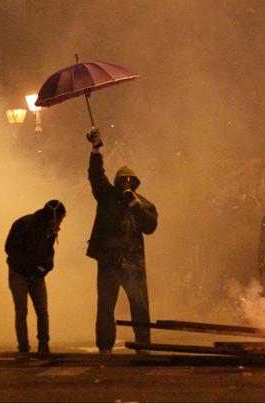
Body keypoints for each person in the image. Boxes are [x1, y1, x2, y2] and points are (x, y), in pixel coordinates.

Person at [86, 128, 158, 354]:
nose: (126, 183)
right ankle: (105, 348)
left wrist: (135, 205)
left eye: (130, 180)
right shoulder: (107, 196)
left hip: (133, 264)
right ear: (117, 182)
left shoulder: (143, 203)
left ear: (135, 183)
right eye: (123, 180)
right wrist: (96, 149)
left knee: (140, 307)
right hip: (109, 262)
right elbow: (96, 177)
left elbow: (151, 227)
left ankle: (143, 346)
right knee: (106, 307)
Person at [5, 200, 66, 354]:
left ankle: (43, 347)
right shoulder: (24, 224)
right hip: (19, 273)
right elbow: (11, 249)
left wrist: (46, 266)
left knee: (41, 311)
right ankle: (24, 348)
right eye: (59, 218)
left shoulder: (48, 230)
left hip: (34, 274)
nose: (59, 222)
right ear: (52, 215)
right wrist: (32, 268)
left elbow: (49, 252)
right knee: (22, 311)